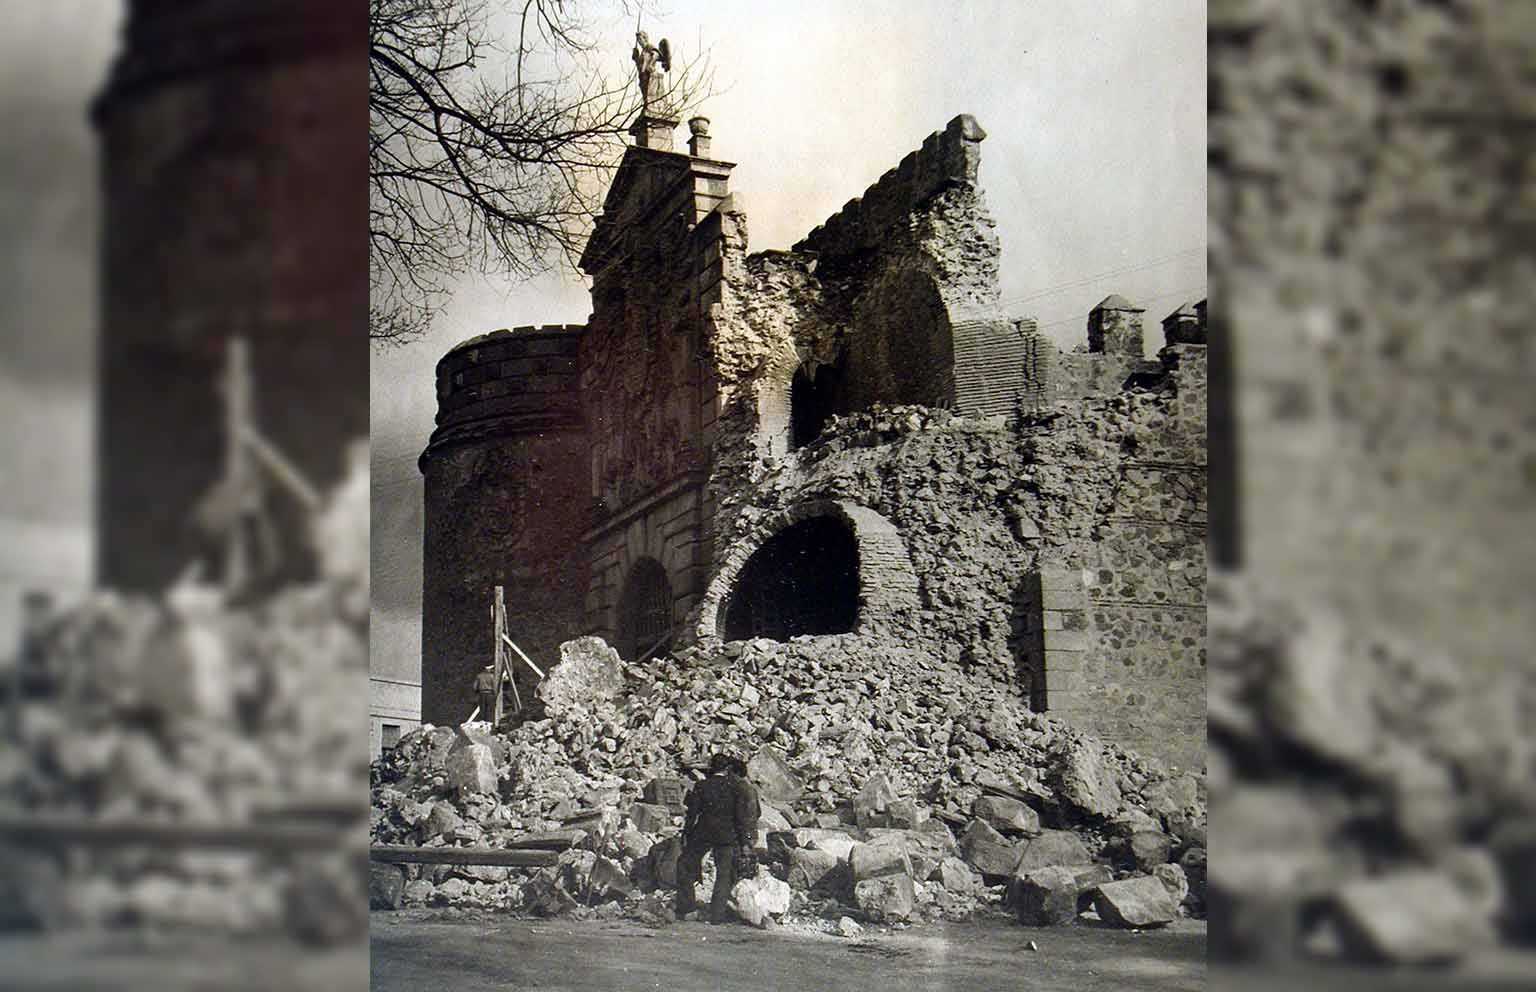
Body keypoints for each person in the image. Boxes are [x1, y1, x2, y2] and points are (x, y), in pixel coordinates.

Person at [676, 752, 760, 923]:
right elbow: (741, 818)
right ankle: (717, 915)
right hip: (727, 836)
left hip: (703, 833)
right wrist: (745, 841)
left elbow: (692, 814)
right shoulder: (736, 788)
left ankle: (687, 909)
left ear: (710, 768)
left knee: (684, 865)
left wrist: (686, 834)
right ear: (727, 768)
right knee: (724, 874)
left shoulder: (701, 786)